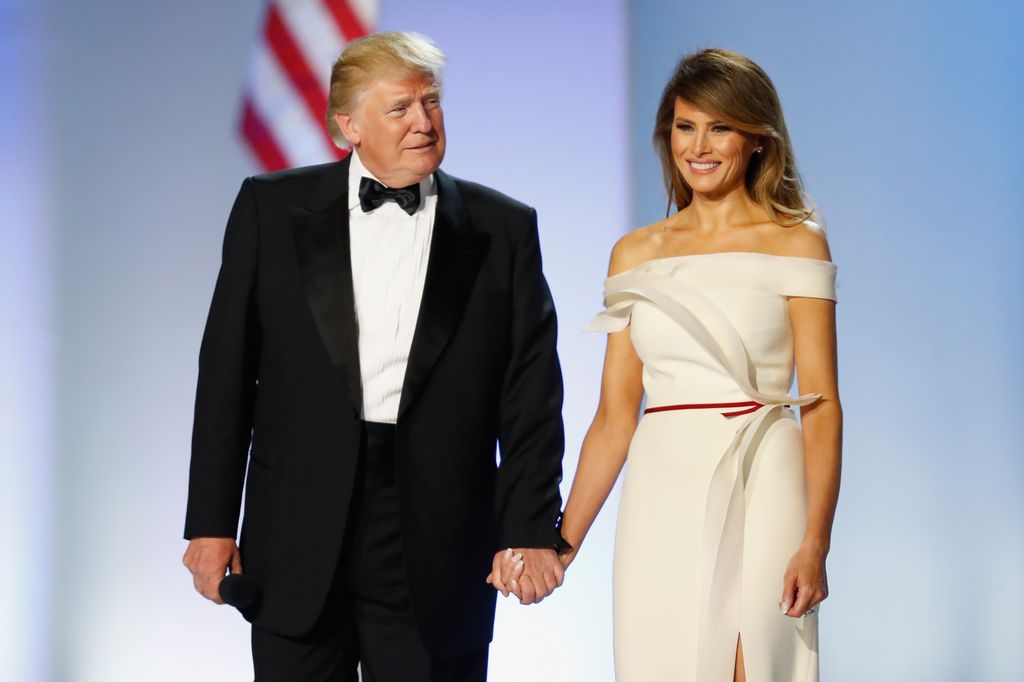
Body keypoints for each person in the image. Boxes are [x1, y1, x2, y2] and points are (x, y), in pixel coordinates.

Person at [182, 31, 569, 682]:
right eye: (400, 108)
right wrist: (211, 522)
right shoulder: (270, 211)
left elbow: (530, 395)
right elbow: (226, 375)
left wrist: (529, 526)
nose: (424, 122)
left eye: (432, 103)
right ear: (347, 126)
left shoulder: (504, 230)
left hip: (440, 535)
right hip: (296, 529)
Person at [555, 48, 842, 681]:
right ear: (668, 136)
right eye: (686, 126)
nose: (700, 146)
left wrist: (815, 542)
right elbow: (612, 417)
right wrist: (562, 544)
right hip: (663, 482)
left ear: (757, 139)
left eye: (721, 127)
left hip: (764, 473)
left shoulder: (796, 239)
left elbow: (822, 404)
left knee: (755, 659)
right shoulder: (634, 253)